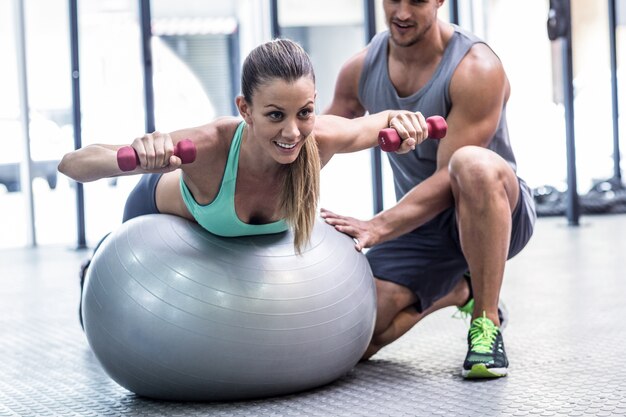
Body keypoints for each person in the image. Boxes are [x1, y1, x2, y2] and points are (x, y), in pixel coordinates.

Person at [58, 38, 428, 327]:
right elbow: (71, 164)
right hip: (153, 215)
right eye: (274, 115)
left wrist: (408, 122)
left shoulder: (323, 139)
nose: (291, 131)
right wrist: (141, 152)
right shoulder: (208, 146)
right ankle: (92, 267)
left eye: (304, 113)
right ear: (245, 109)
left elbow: (383, 120)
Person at [322, 0, 536, 379]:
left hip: (494, 212)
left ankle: (486, 321)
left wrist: (378, 226)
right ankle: (460, 290)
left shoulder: (476, 68)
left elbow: (448, 180)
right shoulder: (360, 69)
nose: (402, 13)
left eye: (417, 1)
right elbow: (321, 142)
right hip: (424, 228)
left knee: (471, 164)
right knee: (355, 336)